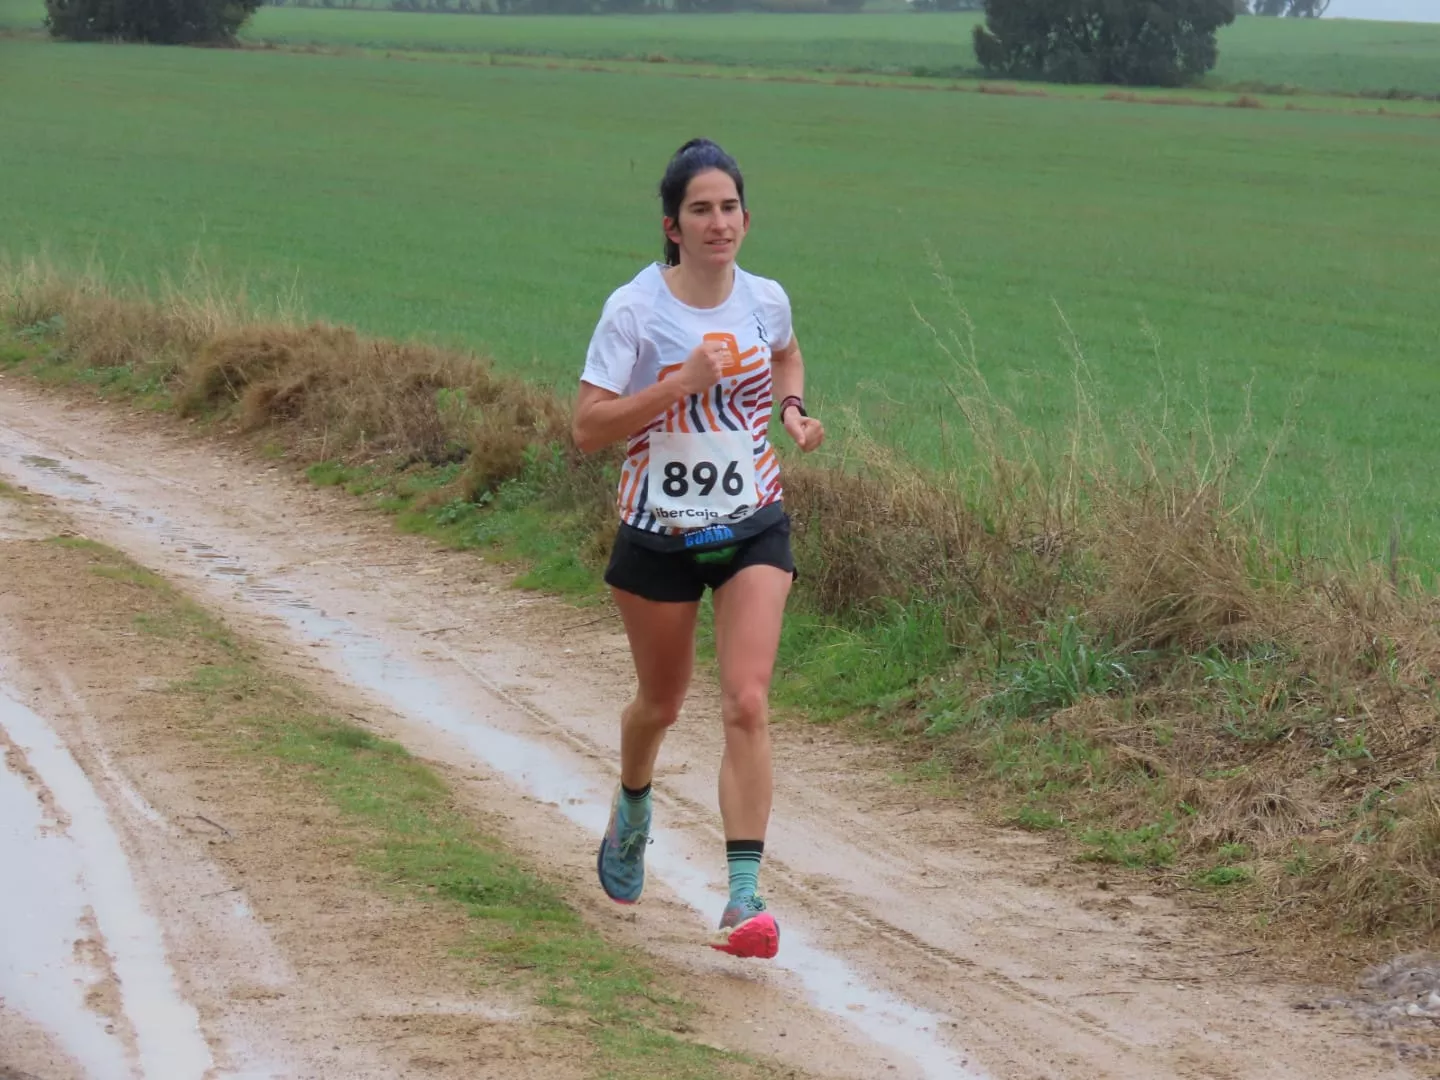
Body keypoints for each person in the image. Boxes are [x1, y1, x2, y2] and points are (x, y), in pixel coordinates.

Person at [572, 138, 825, 960]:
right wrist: (678, 384)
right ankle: (633, 804)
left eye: (730, 208)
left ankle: (744, 897)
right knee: (662, 703)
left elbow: (785, 351)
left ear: (747, 218)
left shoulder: (765, 298)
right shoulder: (636, 310)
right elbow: (587, 428)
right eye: (701, 210)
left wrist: (791, 410)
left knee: (747, 700)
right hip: (660, 533)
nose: (719, 223)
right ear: (672, 227)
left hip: (752, 520)